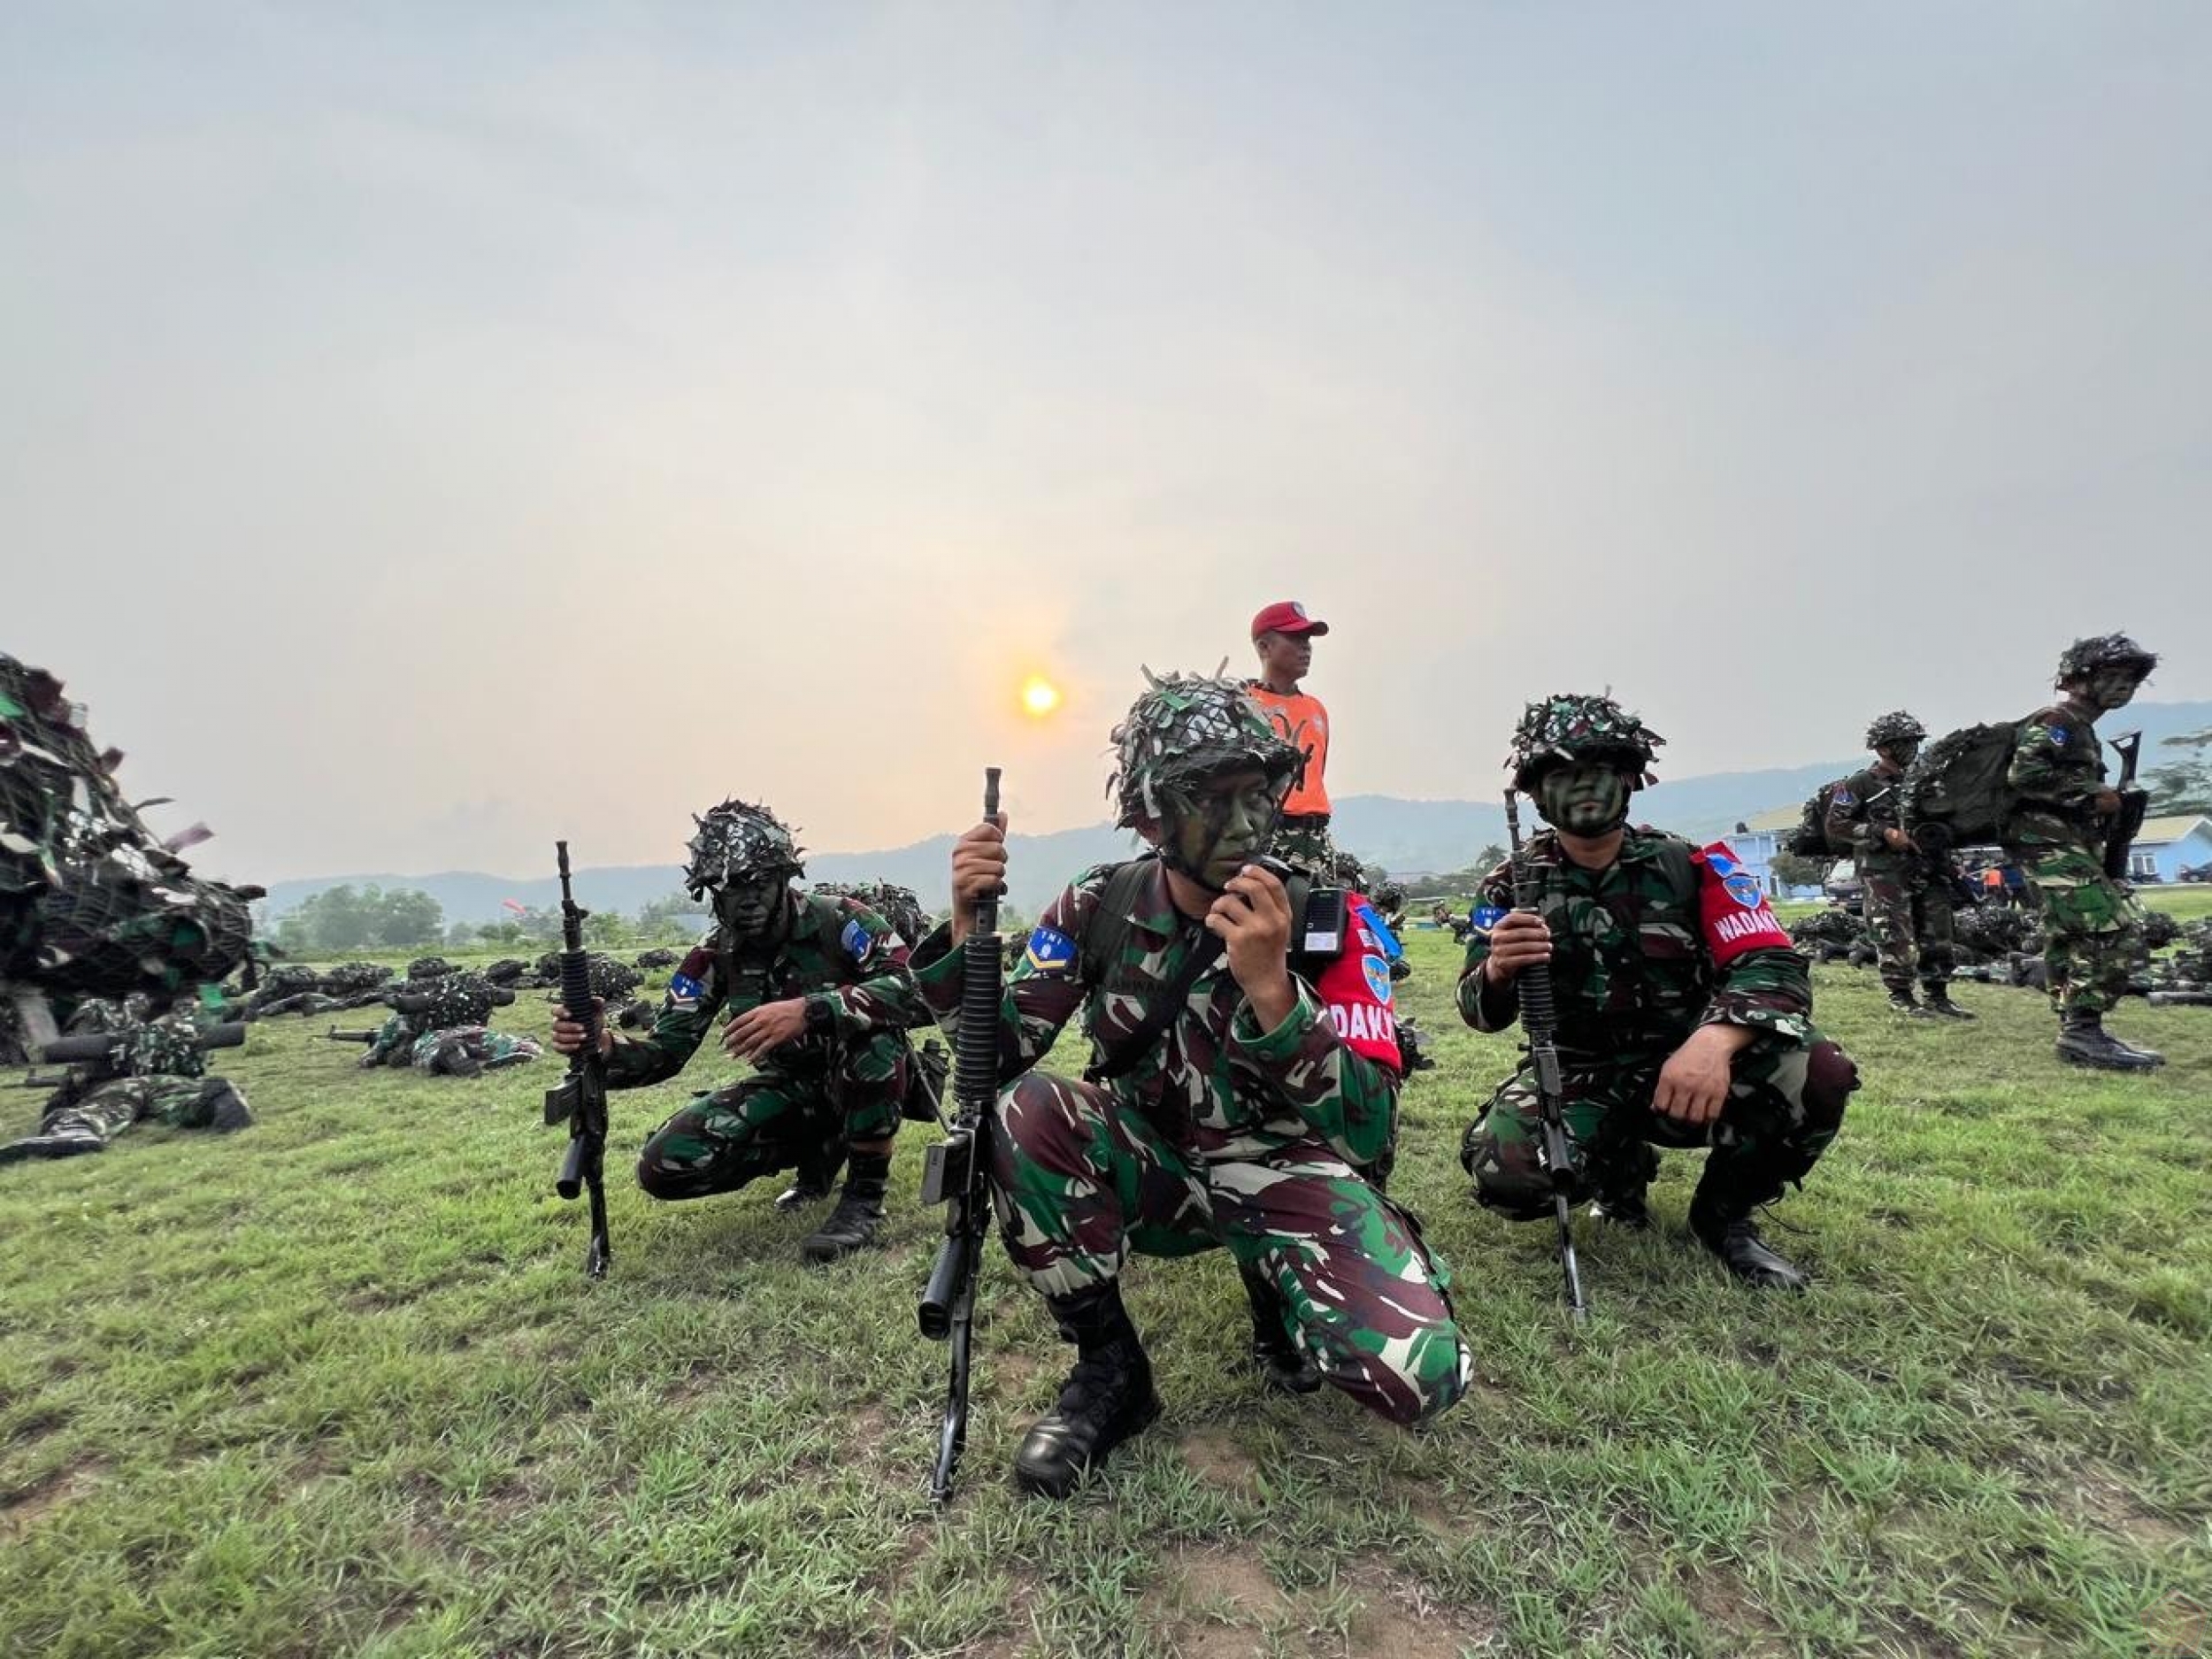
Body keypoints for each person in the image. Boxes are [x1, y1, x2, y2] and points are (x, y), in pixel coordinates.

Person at [921, 670, 1470, 1500]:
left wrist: (1275, 994)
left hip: (1291, 1174)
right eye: (1213, 797)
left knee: (1417, 1377)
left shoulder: (1331, 921)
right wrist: (967, 928)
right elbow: (993, 1059)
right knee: (1022, 1110)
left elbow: (1370, 1134)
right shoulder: (1097, 905)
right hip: (1160, 1171)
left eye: (1260, 792)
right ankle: (1112, 1371)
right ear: (1149, 813)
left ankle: (1290, 1279)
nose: (1247, 821)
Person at [1457, 694, 1858, 1293]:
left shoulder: (1695, 865)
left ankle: (1723, 1216)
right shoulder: (1510, 885)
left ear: (1629, 780)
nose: (1585, 788)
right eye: (1564, 775)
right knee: (1507, 1172)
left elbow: (1772, 962)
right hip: (1578, 1072)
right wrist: (1496, 970)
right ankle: (1617, 1169)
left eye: (1600, 772)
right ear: (1538, 796)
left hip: (1689, 1064)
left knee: (1819, 1070)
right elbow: (1477, 1012)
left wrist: (1715, 1041)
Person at [549, 799, 929, 1262]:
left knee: (873, 1040)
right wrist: (604, 1047)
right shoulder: (713, 956)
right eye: (727, 889)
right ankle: (819, 1151)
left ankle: (864, 1198)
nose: (745, 900)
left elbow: (914, 987)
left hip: (869, 1077)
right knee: (665, 1165)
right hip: (792, 1087)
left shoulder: (842, 920)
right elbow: (666, 1051)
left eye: (758, 884)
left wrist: (811, 1010)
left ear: (783, 877)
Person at [2004, 634, 2164, 1071]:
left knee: (2067, 934)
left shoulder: (2081, 728)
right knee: (2115, 930)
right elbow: (2026, 774)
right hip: (2046, 844)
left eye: (2130, 680)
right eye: (2112, 676)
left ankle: (2077, 1031)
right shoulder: (2058, 720)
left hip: (2065, 843)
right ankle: (2082, 1032)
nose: (2123, 687)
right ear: (2077, 679)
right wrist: (2093, 793)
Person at [1824, 712, 1970, 1018]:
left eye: (1914, 742)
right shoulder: (1859, 784)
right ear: (1883, 749)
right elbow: (1836, 824)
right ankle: (1901, 996)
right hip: (1884, 872)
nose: (1912, 749)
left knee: (1938, 930)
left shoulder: (1924, 781)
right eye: (1904, 743)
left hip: (1928, 867)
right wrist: (1882, 832)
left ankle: (1937, 993)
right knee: (1893, 932)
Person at [2, 1002, 251, 1164]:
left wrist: (64, 1098)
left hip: (121, 1085)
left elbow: (79, 1065)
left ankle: (75, 1130)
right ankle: (217, 1097)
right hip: (172, 1079)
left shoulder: (96, 1010)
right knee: (180, 1098)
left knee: (111, 1102)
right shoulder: (175, 1007)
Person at [1244, 601, 1336, 871]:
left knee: (1325, 912)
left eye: (1307, 639)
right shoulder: (1245, 705)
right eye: (1295, 638)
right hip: (1272, 832)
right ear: (1264, 647)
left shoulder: (1316, 709)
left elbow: (1316, 776)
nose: (1306, 647)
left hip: (1317, 837)